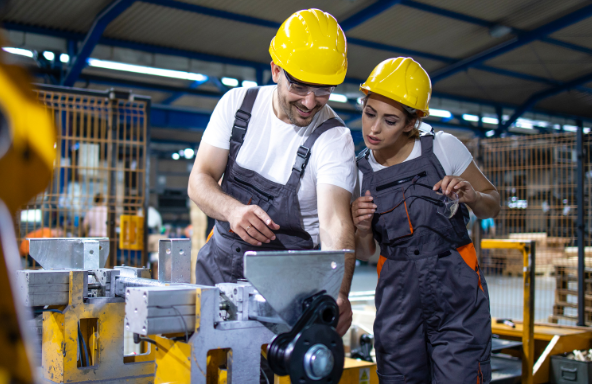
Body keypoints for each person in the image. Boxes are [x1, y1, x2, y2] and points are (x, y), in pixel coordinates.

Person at [188, 8, 357, 337]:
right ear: (276, 68)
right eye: (299, 86)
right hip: (218, 269)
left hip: (289, 288)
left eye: (323, 90)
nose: (310, 102)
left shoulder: (334, 138)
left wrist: (339, 291)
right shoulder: (237, 105)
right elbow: (199, 179)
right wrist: (232, 210)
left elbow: (336, 221)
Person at [351, 57, 500, 383]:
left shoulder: (443, 149)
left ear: (410, 122)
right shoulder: (358, 173)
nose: (374, 129)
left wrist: (472, 196)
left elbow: (493, 204)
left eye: (389, 121)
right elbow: (366, 253)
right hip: (398, 303)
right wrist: (361, 228)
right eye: (369, 113)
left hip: (457, 296)